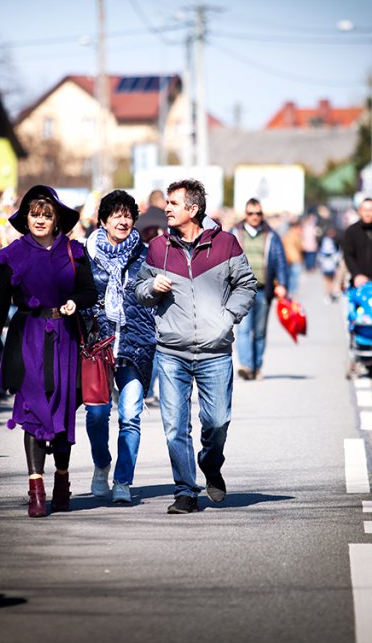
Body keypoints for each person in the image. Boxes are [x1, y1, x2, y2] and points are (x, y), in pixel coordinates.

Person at [135, 179, 257, 514]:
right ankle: (185, 491)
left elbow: (247, 284)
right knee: (175, 426)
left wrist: (227, 317)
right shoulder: (159, 248)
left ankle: (211, 463)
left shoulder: (226, 244)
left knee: (217, 422)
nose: (167, 209)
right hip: (171, 351)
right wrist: (151, 287)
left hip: (214, 351)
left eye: (173, 204)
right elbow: (138, 289)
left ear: (193, 209)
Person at [0, 185, 97, 518]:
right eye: (34, 214)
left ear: (57, 218)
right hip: (27, 337)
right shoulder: (11, 255)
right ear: (25, 217)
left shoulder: (74, 252)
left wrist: (77, 301)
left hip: (66, 336)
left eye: (47, 214)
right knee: (32, 410)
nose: (40, 220)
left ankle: (62, 480)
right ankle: (36, 490)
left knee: (62, 410)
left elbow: (90, 291)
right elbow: (0, 305)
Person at [82, 190, 157, 504]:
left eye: (128, 215)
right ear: (103, 220)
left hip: (135, 343)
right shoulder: (84, 254)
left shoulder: (147, 254)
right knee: (97, 414)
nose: (123, 221)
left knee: (130, 415)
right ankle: (102, 465)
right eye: (117, 215)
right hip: (97, 344)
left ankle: (123, 480)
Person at [230, 199, 288, 380]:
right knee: (244, 329)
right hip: (241, 289)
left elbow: (280, 261)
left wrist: (283, 285)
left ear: (262, 215)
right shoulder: (235, 233)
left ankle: (257, 366)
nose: (254, 217)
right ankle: (246, 366)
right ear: (245, 215)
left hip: (264, 289)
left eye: (258, 214)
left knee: (260, 331)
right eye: (251, 214)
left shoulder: (271, 235)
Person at [282, 219, 305, 296]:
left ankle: (290, 293)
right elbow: (298, 247)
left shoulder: (288, 235)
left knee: (290, 277)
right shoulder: (294, 235)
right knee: (293, 278)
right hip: (294, 259)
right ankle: (291, 294)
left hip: (289, 259)